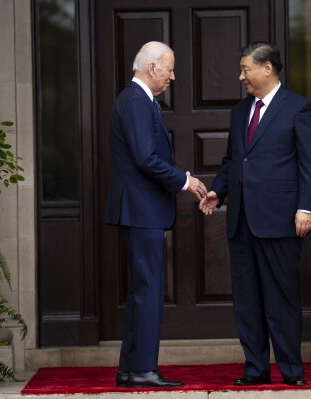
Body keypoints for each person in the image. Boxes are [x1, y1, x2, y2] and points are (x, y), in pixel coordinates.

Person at [199, 41, 311, 386]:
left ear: (267, 68)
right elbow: (232, 160)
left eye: (245, 69)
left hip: (281, 219)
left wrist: (305, 207)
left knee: (281, 299)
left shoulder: (299, 108)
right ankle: (255, 369)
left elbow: (310, 166)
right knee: (247, 301)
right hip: (241, 220)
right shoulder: (240, 112)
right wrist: (216, 191)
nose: (241, 76)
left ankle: (292, 372)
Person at [105, 41, 207, 388]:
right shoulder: (135, 101)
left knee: (141, 290)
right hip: (141, 210)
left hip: (141, 209)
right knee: (148, 290)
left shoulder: (140, 100)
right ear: (152, 68)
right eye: (170, 69)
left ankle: (131, 369)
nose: (173, 76)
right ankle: (143, 369)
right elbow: (145, 159)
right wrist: (185, 181)